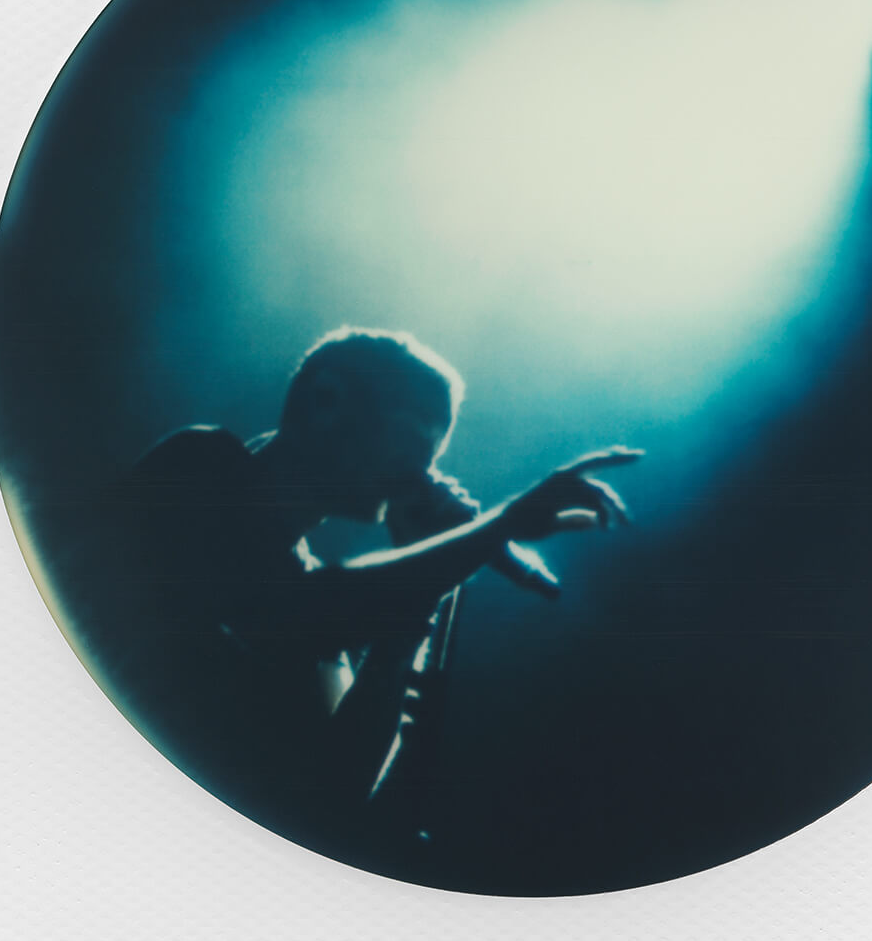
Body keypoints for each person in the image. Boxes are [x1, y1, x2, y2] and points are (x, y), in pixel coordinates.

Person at [80, 326, 639, 858]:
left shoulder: (326, 620)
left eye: (435, 450)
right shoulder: (201, 462)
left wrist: (419, 604)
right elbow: (287, 610)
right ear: (327, 401)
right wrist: (495, 529)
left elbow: (332, 800)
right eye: (414, 437)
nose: (424, 470)